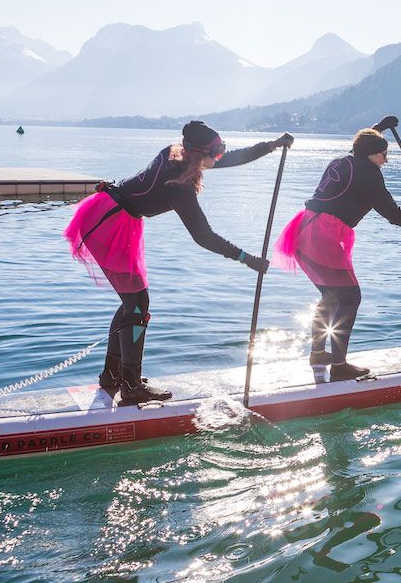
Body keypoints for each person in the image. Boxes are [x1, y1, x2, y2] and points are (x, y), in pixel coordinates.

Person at [64, 121, 292, 405]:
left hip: (111, 216)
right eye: (217, 152)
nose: (221, 157)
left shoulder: (177, 154)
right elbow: (203, 235)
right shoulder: (179, 185)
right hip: (109, 225)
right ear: (200, 154)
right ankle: (131, 387)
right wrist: (246, 259)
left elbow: (231, 159)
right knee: (137, 304)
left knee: (132, 302)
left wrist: (271, 146)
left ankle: (113, 376)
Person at [273, 117, 401, 383]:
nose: (386, 160)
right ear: (373, 155)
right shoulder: (368, 174)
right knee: (350, 297)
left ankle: (318, 353)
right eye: (384, 154)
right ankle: (339, 366)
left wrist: (381, 127)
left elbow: (360, 144)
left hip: (303, 228)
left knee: (331, 295)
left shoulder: (344, 160)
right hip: (323, 236)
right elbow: (394, 215)